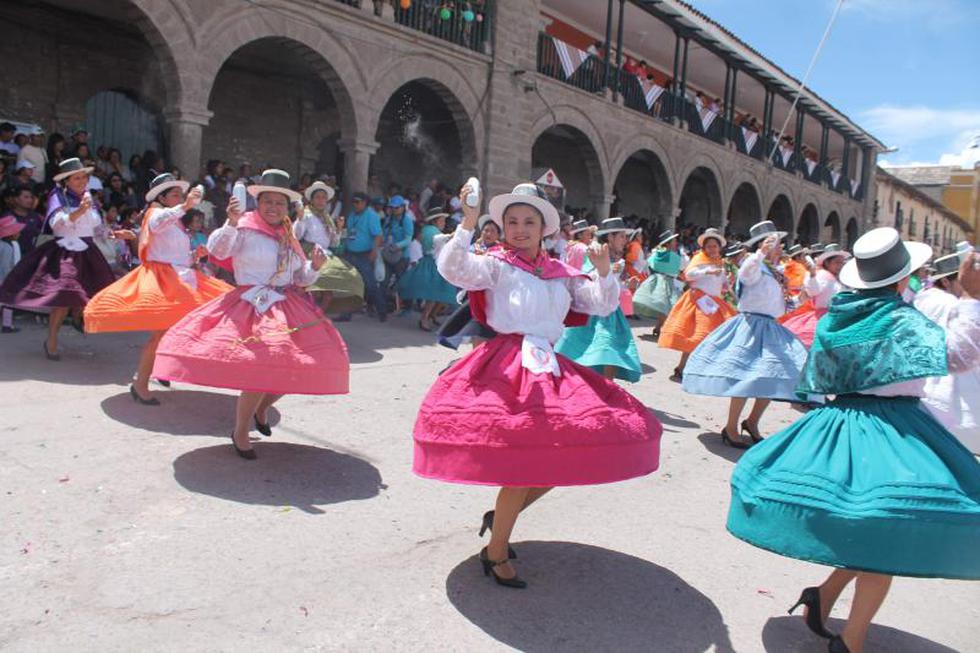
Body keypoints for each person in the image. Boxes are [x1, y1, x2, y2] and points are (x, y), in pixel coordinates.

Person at [728, 228, 980, 653]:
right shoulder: (899, 319)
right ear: (902, 279)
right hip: (891, 430)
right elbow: (960, 355)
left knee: (871, 524)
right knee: (885, 530)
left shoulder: (838, 317)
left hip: (843, 423)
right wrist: (971, 299)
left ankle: (824, 597)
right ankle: (851, 641)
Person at [413, 182, 662, 588]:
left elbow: (601, 304)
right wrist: (468, 223)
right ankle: (495, 551)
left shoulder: (559, 273)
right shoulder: (496, 264)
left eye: (528, 221)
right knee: (524, 462)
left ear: (544, 228)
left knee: (566, 452)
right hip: (507, 365)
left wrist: (603, 271)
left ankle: (501, 518)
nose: (519, 229)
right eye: (512, 221)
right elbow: (453, 268)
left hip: (548, 364)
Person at [152, 169, 350, 459]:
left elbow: (299, 278)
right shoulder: (244, 226)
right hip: (251, 305)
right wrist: (231, 221)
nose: (273, 208)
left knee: (298, 367)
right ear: (258, 202)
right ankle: (241, 430)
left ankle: (262, 408)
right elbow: (218, 250)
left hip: (286, 305)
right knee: (259, 372)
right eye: (268, 201)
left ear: (287, 206)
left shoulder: (288, 235)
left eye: (279, 203)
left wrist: (315, 267)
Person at [83, 174, 232, 404]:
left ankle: (160, 371)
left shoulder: (176, 220)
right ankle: (141, 384)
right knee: (162, 334)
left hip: (180, 278)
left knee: (174, 331)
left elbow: (174, 255)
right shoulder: (155, 214)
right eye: (174, 194)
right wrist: (185, 206)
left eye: (180, 194)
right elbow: (157, 224)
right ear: (161, 198)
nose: (180, 197)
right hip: (164, 281)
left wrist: (194, 255)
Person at [682, 221, 809, 448]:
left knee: (771, 376)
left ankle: (752, 422)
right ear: (763, 245)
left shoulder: (775, 271)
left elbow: (781, 304)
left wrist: (801, 298)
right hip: (751, 326)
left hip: (770, 327)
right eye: (776, 243)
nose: (780, 247)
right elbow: (745, 273)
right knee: (744, 377)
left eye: (778, 243)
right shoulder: (754, 265)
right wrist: (760, 253)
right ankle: (731, 427)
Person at [0, 158, 134, 360]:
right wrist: (79, 211)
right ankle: (52, 340)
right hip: (66, 252)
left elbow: (96, 227)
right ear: (66, 181)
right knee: (63, 296)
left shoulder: (88, 197)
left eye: (83, 177)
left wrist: (115, 234)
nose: (82, 181)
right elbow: (57, 224)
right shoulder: (58, 197)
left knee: (94, 292)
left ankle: (78, 316)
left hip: (88, 252)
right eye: (77, 178)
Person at [555, 217, 643, 382]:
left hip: (611, 313)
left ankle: (606, 387)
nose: (625, 241)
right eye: (621, 236)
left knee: (610, 351)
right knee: (591, 352)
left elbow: (613, 287)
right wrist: (603, 271)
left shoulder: (618, 261)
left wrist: (626, 285)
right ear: (610, 237)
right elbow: (585, 280)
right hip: (592, 312)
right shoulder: (591, 254)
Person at [915, 251, 980, 454]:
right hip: (952, 406)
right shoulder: (949, 303)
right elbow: (961, 354)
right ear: (945, 281)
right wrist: (971, 297)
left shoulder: (923, 299)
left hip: (927, 400)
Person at [658, 227, 737, 381]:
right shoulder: (699, 259)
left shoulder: (719, 263)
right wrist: (707, 271)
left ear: (719, 247)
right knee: (695, 336)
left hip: (713, 304)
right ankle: (682, 368)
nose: (712, 249)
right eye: (709, 246)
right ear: (704, 248)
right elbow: (688, 274)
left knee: (708, 338)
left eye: (715, 246)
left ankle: (693, 369)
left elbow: (722, 284)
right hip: (699, 302)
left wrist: (728, 284)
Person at [293, 181, 364, 315]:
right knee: (311, 290)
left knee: (334, 288)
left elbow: (334, 243)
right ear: (312, 199)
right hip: (310, 253)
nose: (321, 201)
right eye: (318, 197)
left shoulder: (327, 217)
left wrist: (339, 228)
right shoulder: (306, 214)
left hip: (325, 254)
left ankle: (318, 316)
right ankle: (306, 316)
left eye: (324, 198)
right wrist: (300, 218)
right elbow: (296, 235)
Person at [398, 206, 459, 331]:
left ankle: (430, 315)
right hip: (433, 264)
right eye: (442, 220)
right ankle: (425, 318)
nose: (443, 223)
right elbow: (440, 240)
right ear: (435, 221)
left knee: (439, 293)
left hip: (431, 262)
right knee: (435, 293)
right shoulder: (432, 232)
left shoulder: (427, 230)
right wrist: (459, 232)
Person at [779, 243, 848, 348]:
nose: (840, 266)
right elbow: (813, 291)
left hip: (838, 316)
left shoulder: (839, 277)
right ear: (827, 263)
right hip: (824, 318)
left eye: (842, 263)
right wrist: (812, 275)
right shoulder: (823, 275)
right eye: (837, 262)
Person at [343, 191, 387, 322]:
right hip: (350, 253)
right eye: (353, 202)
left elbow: (378, 235)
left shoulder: (371, 216)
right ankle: (347, 313)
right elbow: (349, 232)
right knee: (350, 284)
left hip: (364, 255)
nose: (355, 205)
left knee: (370, 285)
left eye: (358, 202)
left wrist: (374, 251)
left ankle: (382, 311)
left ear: (364, 203)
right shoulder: (352, 215)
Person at [633, 229, 682, 339]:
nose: (676, 242)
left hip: (654, 280)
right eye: (674, 241)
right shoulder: (673, 256)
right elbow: (676, 271)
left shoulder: (656, 253)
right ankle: (661, 328)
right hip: (667, 282)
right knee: (668, 306)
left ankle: (659, 327)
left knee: (663, 306)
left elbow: (648, 265)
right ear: (668, 243)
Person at [0, 216, 25, 332]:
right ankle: (7, 325)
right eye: (17, 231)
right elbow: (5, 267)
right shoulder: (8, 248)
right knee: (8, 304)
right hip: (4, 280)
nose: (19, 233)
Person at [2, 185, 43, 255]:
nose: (30, 200)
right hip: (13, 256)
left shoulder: (36, 216)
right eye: (26, 197)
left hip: (33, 255)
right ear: (16, 199)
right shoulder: (7, 217)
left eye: (31, 197)